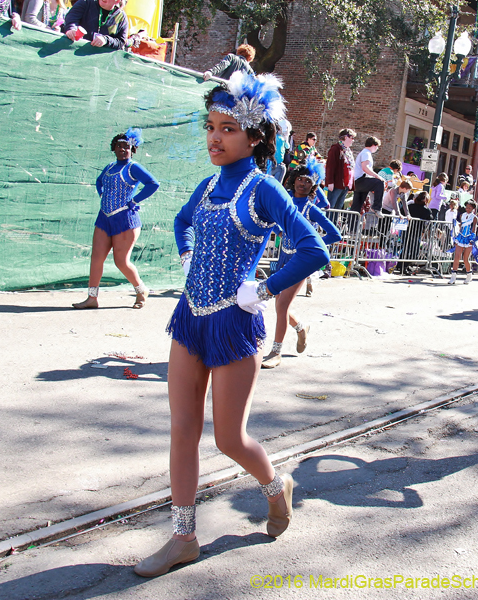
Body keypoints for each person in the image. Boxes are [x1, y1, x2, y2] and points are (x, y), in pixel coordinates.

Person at [134, 72, 330, 578]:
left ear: (255, 137)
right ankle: (183, 537)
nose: (215, 138)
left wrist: (262, 289)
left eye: (227, 128)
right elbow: (181, 222)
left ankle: (275, 486)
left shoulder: (262, 188)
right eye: (210, 126)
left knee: (227, 438)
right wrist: (186, 254)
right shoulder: (205, 186)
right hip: (190, 319)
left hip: (235, 325)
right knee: (181, 430)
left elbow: (314, 248)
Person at [262, 158, 341, 368]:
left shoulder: (312, 209)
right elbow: (272, 223)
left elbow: (335, 234)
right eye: (299, 179)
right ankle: (301, 328)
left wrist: (312, 246)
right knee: (280, 304)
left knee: (281, 305)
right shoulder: (285, 202)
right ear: (293, 181)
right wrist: (278, 229)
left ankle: (275, 352)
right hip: (282, 259)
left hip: (301, 260)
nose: (302, 184)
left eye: (307, 181)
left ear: (313, 186)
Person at [72, 129, 159, 310]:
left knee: (121, 261)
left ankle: (141, 290)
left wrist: (135, 200)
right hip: (104, 218)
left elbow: (153, 184)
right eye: (119, 146)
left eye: (126, 146)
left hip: (125, 220)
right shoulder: (110, 167)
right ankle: (92, 298)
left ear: (132, 149)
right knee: (96, 258)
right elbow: (99, 181)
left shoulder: (133, 167)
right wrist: (102, 195)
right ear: (113, 148)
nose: (122, 149)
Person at [349, 137, 385, 214]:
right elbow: (365, 167)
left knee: (357, 206)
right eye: (377, 146)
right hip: (360, 180)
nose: (377, 148)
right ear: (373, 145)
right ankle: (376, 207)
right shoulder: (366, 153)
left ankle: (351, 224)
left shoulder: (364, 153)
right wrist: (377, 176)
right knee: (379, 183)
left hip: (358, 182)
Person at [324, 128, 356, 210]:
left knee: (339, 206)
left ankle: (334, 222)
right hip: (336, 184)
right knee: (331, 206)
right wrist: (330, 182)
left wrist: (351, 185)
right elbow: (330, 166)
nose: (353, 140)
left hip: (345, 185)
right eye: (352, 138)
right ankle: (329, 222)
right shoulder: (335, 149)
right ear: (345, 137)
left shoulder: (348, 151)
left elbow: (351, 168)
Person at [448, 200, 478, 284]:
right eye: (467, 207)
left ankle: (469, 275)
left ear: (473, 208)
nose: (468, 209)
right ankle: (453, 277)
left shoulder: (474, 217)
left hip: (469, 238)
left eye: (470, 208)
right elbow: (461, 225)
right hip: (461, 237)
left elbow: (474, 228)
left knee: (465, 259)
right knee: (457, 257)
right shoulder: (462, 215)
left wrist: (472, 238)